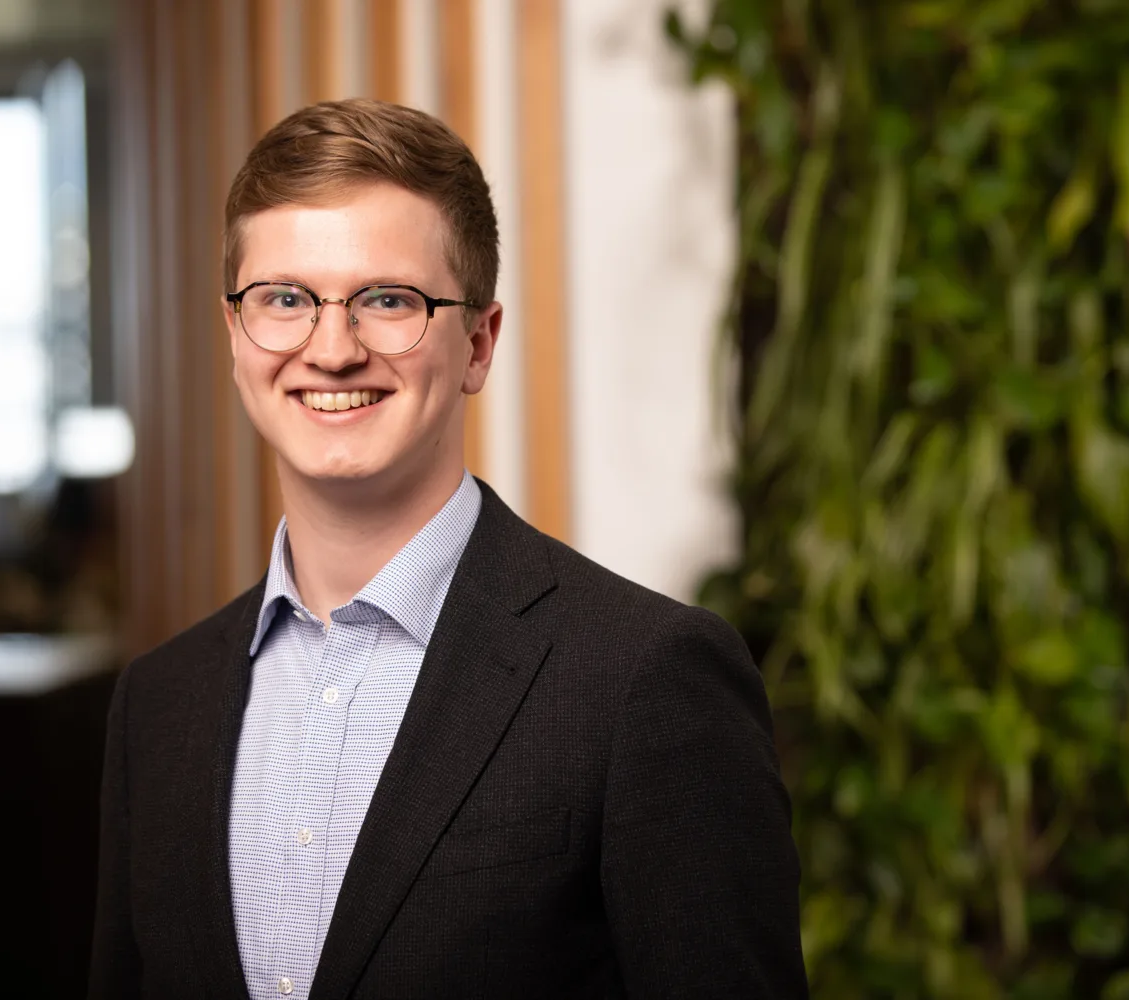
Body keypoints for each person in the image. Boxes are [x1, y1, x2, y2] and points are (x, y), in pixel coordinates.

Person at [88, 98, 806, 999]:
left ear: (477, 342)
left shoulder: (643, 678)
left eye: (389, 300)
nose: (333, 348)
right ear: (237, 336)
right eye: (285, 300)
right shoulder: (158, 707)